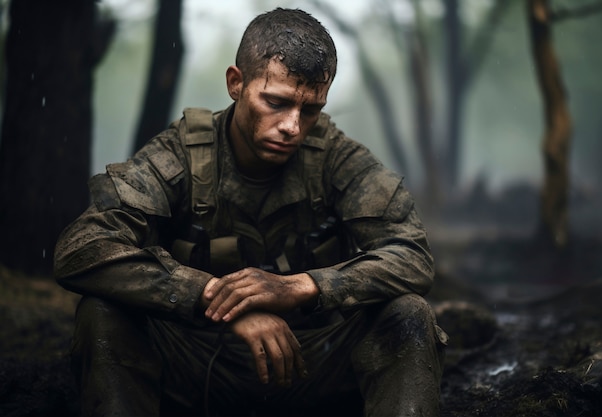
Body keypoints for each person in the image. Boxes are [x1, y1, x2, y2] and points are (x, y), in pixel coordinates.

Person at [54, 7, 447, 417]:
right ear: (236, 83)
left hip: (313, 364)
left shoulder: (336, 157)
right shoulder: (178, 155)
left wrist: (300, 287)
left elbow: (413, 258)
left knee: (408, 315)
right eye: (275, 102)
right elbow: (81, 249)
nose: (293, 126)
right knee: (100, 314)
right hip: (192, 365)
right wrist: (214, 299)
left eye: (310, 109)